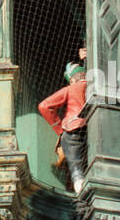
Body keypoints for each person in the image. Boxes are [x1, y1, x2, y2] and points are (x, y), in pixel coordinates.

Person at [37, 50, 88, 195]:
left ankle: (79, 188)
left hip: (73, 128)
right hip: (93, 127)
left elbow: (44, 106)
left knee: (76, 166)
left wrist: (59, 128)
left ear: (72, 79)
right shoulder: (94, 84)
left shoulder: (71, 88)